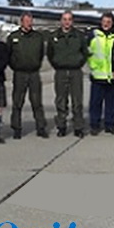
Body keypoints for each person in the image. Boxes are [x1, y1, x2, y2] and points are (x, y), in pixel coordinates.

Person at [47, 10, 88, 138]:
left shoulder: (79, 36)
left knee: (77, 100)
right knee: (61, 100)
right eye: (64, 19)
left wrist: (78, 63)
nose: (67, 22)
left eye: (69, 19)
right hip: (60, 71)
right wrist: (57, 64)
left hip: (75, 71)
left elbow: (85, 53)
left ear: (72, 21)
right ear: (61, 21)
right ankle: (62, 126)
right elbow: (50, 53)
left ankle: (78, 127)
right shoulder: (54, 36)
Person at [7, 12, 48, 139]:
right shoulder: (13, 37)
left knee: (37, 102)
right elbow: (8, 55)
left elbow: (41, 53)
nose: (29, 24)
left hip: (34, 73)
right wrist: (15, 65)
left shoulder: (38, 37)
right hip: (19, 73)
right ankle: (17, 128)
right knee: (17, 102)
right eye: (26, 21)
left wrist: (35, 64)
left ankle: (41, 128)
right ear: (21, 22)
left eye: (31, 21)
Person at [87, 12, 114, 135]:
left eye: (109, 22)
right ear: (101, 22)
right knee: (95, 103)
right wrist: (92, 66)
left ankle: (110, 124)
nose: (106, 24)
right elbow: (87, 52)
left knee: (112, 103)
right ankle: (94, 125)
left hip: (112, 76)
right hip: (97, 76)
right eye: (104, 21)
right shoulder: (93, 35)